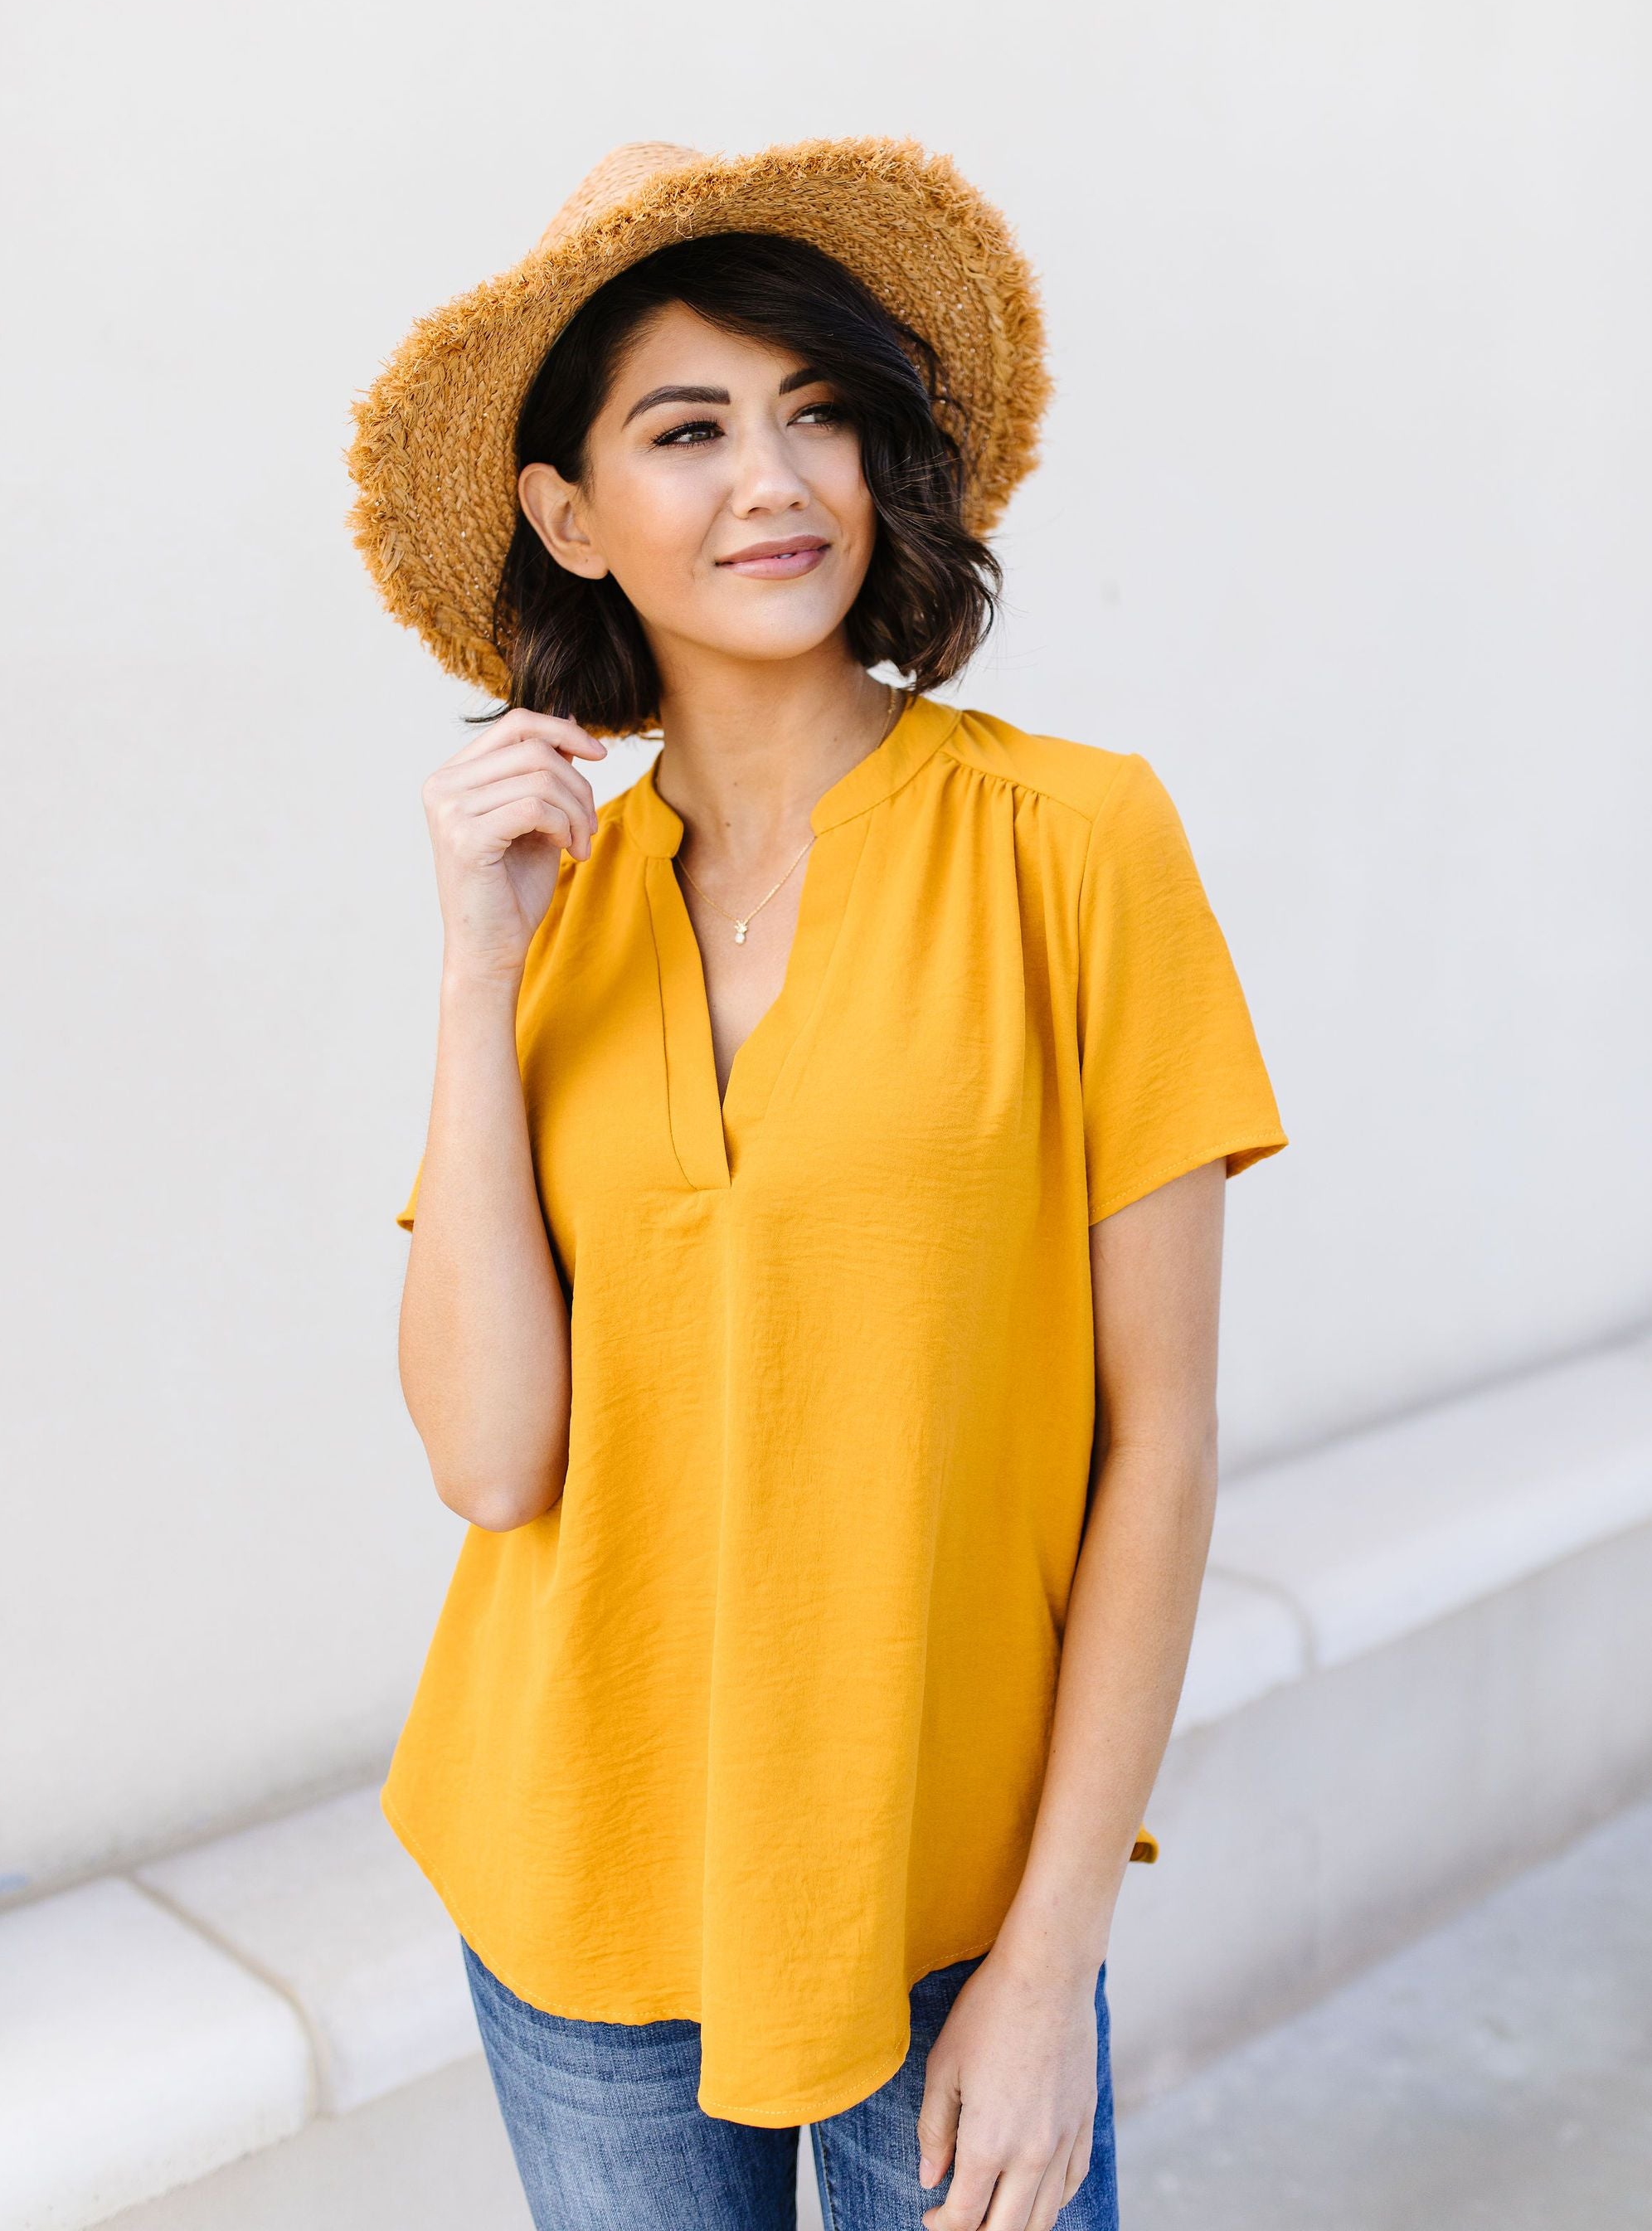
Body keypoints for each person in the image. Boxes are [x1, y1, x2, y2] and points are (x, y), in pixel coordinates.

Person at [347, 138, 1286, 2231]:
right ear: (570, 520)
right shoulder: (555, 917)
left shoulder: (1073, 842)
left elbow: (1162, 1444)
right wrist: (473, 961)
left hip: (946, 1894)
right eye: (688, 431)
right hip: (578, 1854)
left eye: (820, 414)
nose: (774, 481)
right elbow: (494, 1459)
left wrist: (1049, 1971)